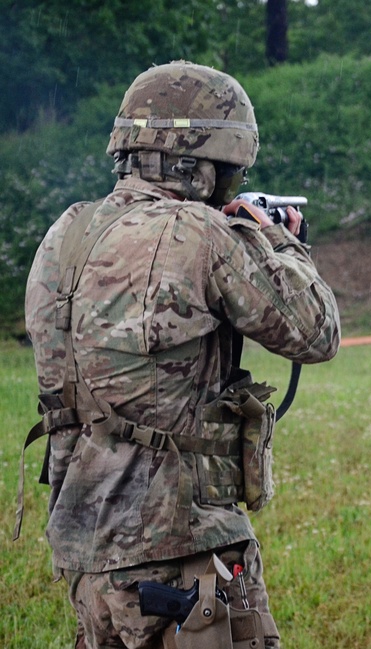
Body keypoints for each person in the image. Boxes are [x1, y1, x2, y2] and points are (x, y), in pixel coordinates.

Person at [22, 61, 339, 648]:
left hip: (87, 552)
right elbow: (315, 333)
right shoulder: (201, 234)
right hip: (186, 552)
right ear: (201, 163)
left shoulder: (66, 233)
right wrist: (279, 239)